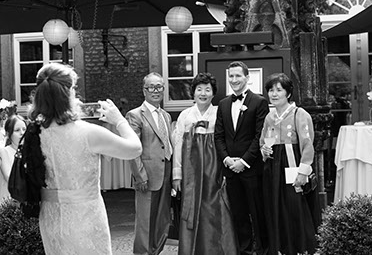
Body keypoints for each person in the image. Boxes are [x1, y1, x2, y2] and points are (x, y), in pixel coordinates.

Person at [28, 63, 142, 254]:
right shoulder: (87, 132)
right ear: (69, 94)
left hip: (50, 217)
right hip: (85, 217)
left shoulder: (34, 132)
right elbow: (134, 149)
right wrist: (119, 120)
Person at [172, 72, 238, 255]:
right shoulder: (185, 115)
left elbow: (226, 144)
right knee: (192, 207)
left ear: (213, 93)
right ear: (193, 93)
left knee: (215, 208)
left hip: (214, 168)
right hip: (190, 170)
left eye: (207, 90)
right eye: (199, 89)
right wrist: (177, 175)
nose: (203, 93)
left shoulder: (220, 114)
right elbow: (178, 145)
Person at [214, 61, 269, 255]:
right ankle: (245, 250)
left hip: (251, 168)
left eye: (238, 76)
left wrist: (244, 161)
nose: (234, 80)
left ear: (247, 78)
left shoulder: (259, 102)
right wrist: (227, 160)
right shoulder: (223, 104)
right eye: (231, 76)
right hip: (230, 169)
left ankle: (263, 250)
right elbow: (218, 136)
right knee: (238, 214)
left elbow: (259, 136)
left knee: (258, 212)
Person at [260, 72, 318, 255]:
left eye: (279, 90)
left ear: (288, 93)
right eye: (270, 90)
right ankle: (281, 248)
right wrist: (264, 150)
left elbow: (308, 145)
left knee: (295, 207)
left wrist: (303, 172)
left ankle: (302, 248)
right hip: (273, 167)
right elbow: (263, 141)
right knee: (276, 207)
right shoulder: (269, 117)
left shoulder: (300, 114)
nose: (274, 94)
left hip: (293, 164)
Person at [126, 72, 173, 255]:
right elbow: (133, 149)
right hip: (147, 175)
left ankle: (155, 251)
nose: (156, 90)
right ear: (144, 90)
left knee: (162, 220)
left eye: (159, 86)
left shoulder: (166, 116)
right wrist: (140, 176)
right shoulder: (135, 115)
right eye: (151, 87)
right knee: (145, 221)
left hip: (166, 174)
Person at [0, 114, 27, 202]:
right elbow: (10, 178)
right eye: (17, 130)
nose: (22, 133)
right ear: (9, 134)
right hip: (10, 204)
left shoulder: (30, 153)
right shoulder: (4, 152)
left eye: (24, 129)